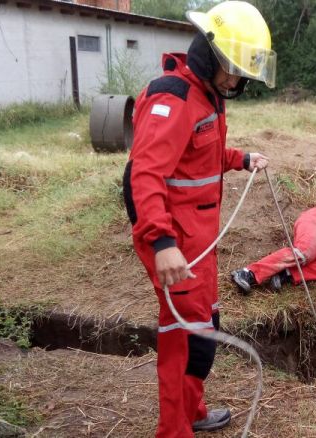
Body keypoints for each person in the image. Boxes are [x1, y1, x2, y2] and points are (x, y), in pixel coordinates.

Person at [121, 2, 276, 436]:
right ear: (209, 53)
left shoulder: (207, 94)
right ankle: (175, 430)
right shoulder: (172, 98)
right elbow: (145, 174)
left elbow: (199, 154)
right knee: (185, 342)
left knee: (206, 332)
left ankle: (192, 411)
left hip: (199, 242)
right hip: (174, 241)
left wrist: (240, 159)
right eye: (233, 68)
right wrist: (162, 244)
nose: (237, 80)